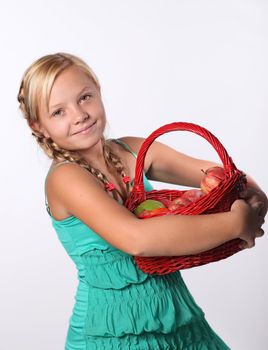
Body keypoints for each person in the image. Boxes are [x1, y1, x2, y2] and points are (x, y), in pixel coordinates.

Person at [18, 52, 267, 350]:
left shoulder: (132, 150)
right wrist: (235, 223)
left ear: (99, 91)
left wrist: (252, 191)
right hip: (114, 333)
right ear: (39, 127)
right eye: (58, 112)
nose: (79, 114)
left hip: (176, 317)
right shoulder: (66, 178)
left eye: (85, 97)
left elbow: (220, 175)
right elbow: (137, 239)